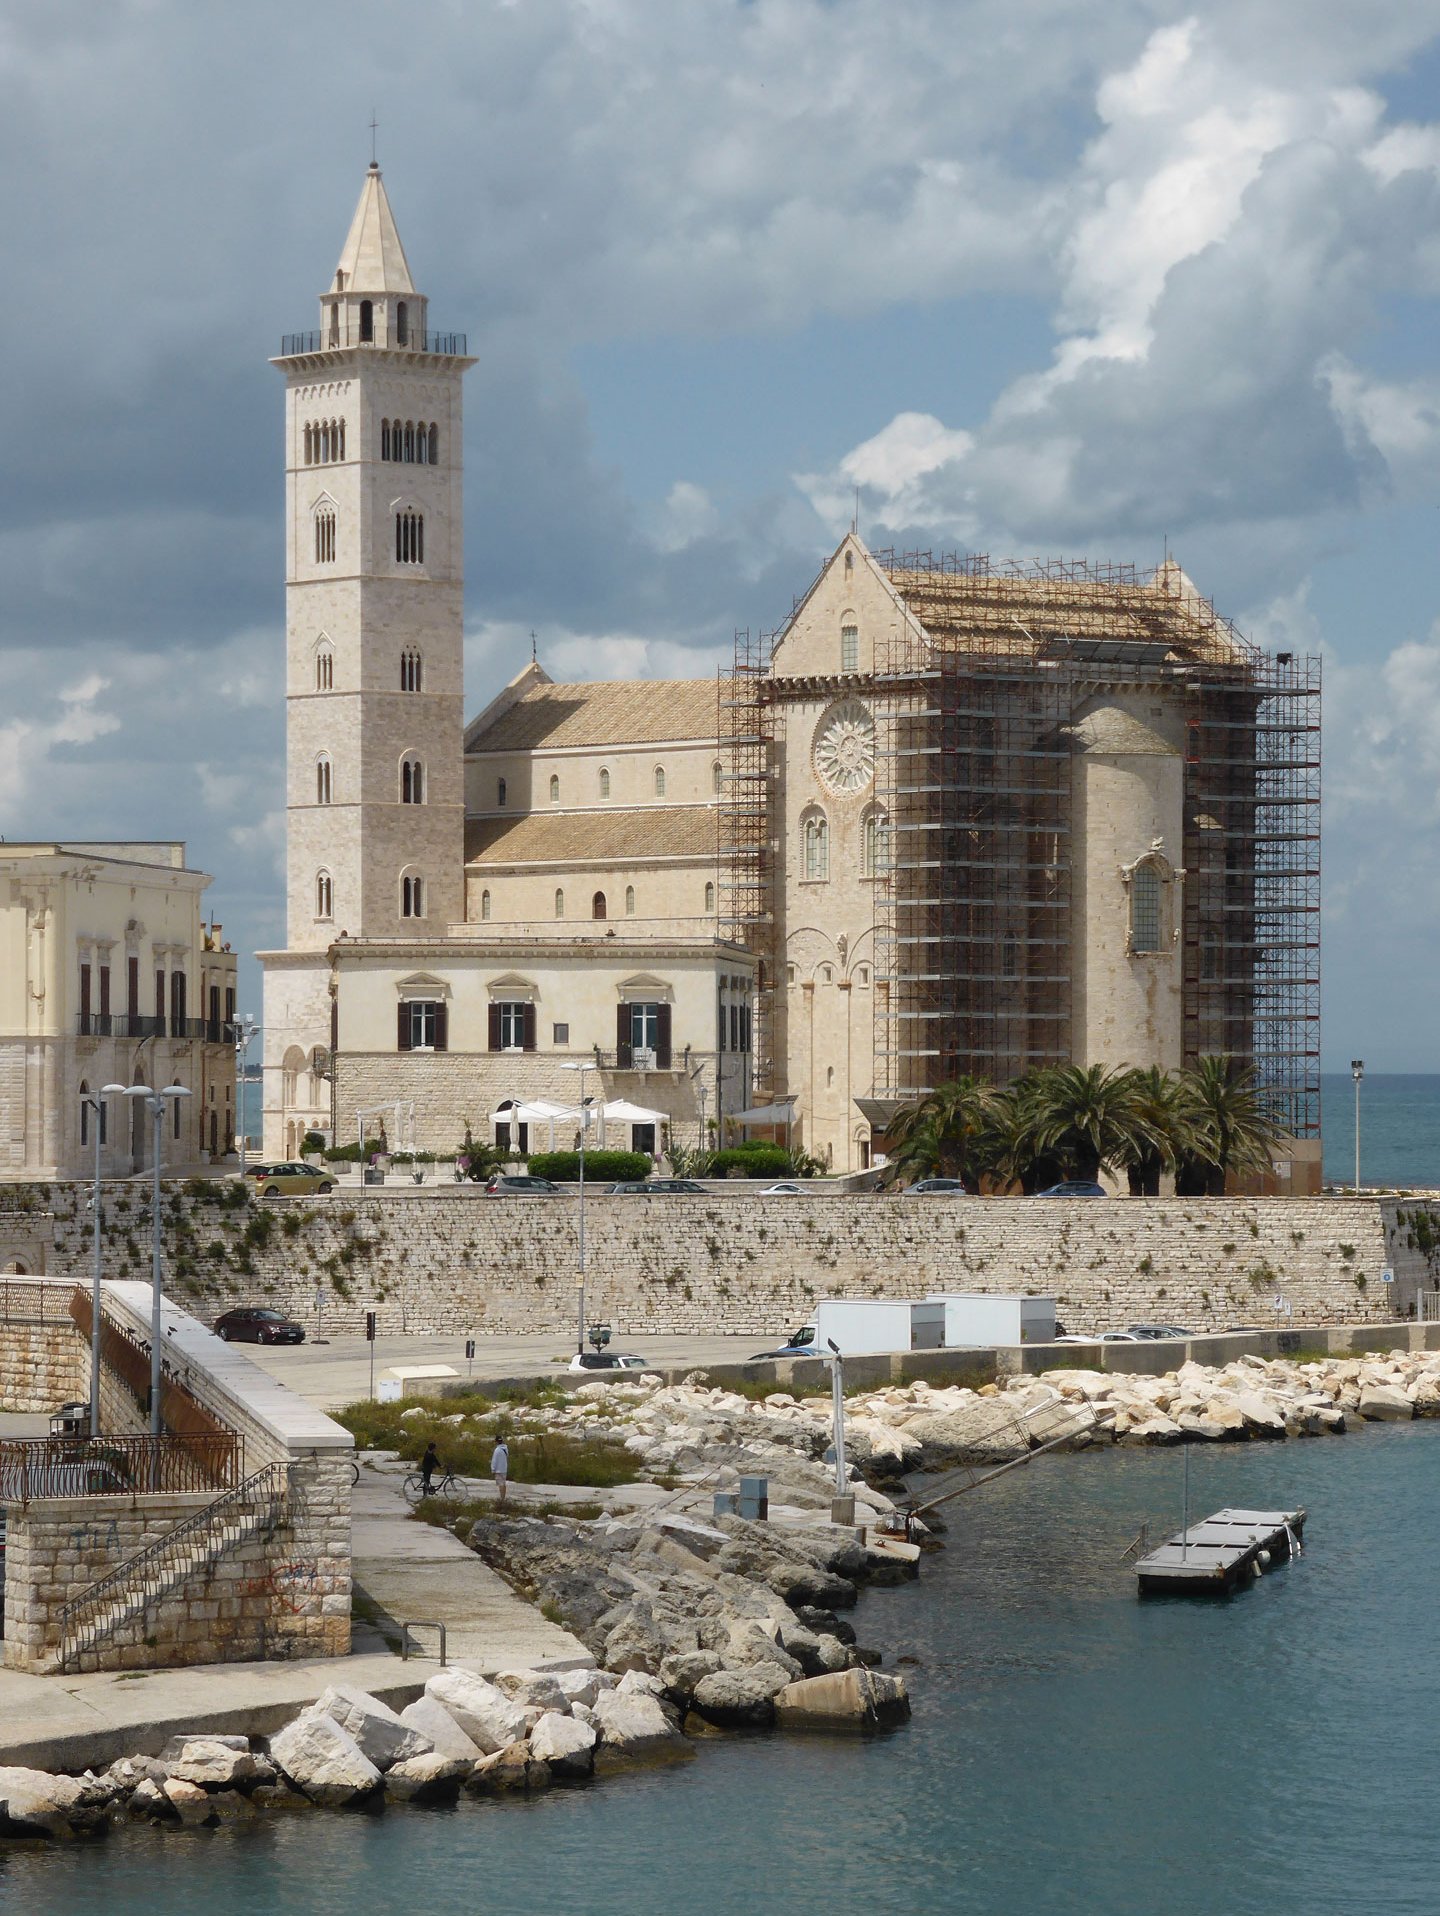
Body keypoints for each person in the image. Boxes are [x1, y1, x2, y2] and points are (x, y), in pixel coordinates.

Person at [490, 1436, 510, 1507]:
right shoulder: (505, 1449)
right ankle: (503, 1497)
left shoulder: (497, 1450)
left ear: (496, 1442)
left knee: (500, 1484)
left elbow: (494, 1460)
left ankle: (502, 1499)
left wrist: (493, 1469)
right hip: (504, 1469)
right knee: (503, 1483)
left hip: (498, 1470)